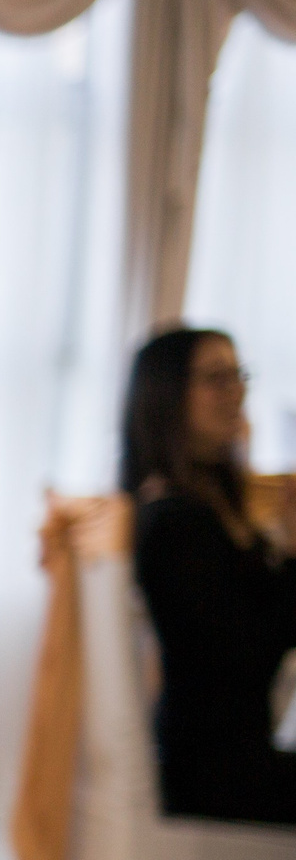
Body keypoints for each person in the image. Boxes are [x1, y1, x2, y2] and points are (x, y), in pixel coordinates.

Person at [124, 327, 296, 825]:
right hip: (213, 773)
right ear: (167, 395)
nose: (236, 391)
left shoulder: (209, 507)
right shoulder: (174, 520)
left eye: (238, 375)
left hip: (234, 756)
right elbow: (245, 653)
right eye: (215, 378)